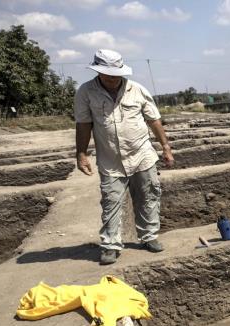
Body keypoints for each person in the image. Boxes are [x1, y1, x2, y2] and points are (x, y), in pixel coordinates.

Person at [73, 49, 174, 265]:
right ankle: (110, 245)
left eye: (116, 74)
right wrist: (81, 154)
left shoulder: (136, 90)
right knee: (111, 201)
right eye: (108, 74)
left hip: (142, 155)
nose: (112, 78)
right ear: (98, 71)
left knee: (148, 196)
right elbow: (83, 125)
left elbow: (154, 120)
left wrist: (165, 146)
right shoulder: (86, 92)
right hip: (111, 160)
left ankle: (149, 237)